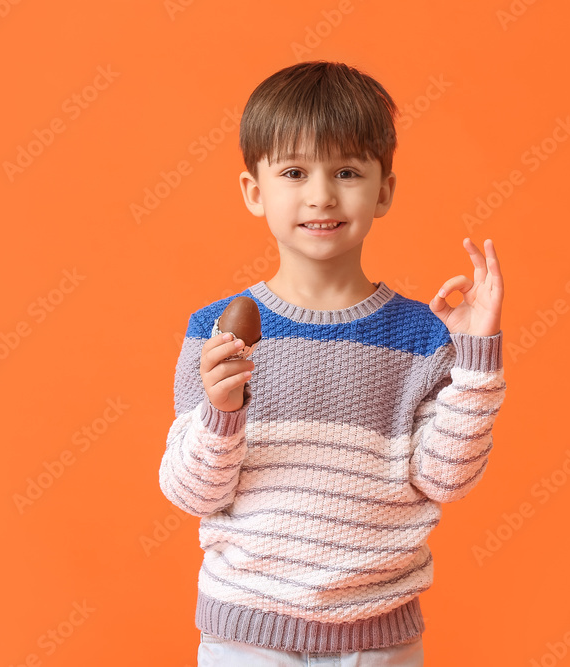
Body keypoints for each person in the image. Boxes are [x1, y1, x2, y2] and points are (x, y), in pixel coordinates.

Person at [158, 60, 507, 666]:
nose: (321, 194)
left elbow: (446, 480)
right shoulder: (215, 331)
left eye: (347, 171)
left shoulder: (424, 335)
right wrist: (219, 415)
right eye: (294, 171)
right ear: (254, 191)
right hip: (246, 635)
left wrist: (475, 359)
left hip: (379, 640)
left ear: (384, 190)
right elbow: (191, 494)